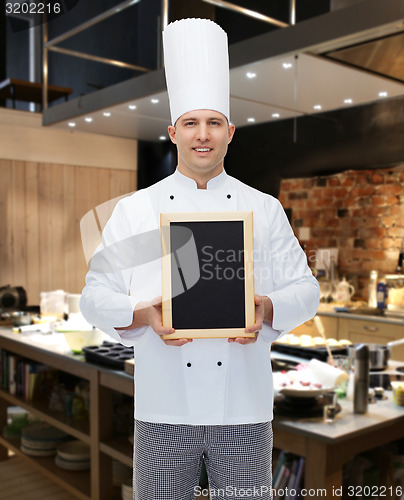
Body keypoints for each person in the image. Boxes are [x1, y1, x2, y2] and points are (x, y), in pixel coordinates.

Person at [80, 18, 320, 500]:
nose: (202, 135)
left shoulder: (264, 209)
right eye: (191, 123)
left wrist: (265, 308)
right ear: (173, 132)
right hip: (163, 409)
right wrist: (143, 313)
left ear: (230, 132)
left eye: (214, 123)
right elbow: (94, 296)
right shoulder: (137, 210)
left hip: (245, 411)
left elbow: (307, 291)